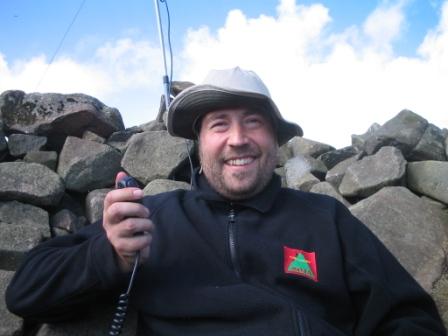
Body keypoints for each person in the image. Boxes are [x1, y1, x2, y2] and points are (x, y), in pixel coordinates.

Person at [6, 67, 446, 335]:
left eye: (253, 122)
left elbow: (410, 318)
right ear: (198, 144)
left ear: (275, 139)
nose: (238, 139)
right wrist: (110, 255)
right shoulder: (149, 219)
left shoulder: (325, 218)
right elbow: (26, 292)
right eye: (219, 124)